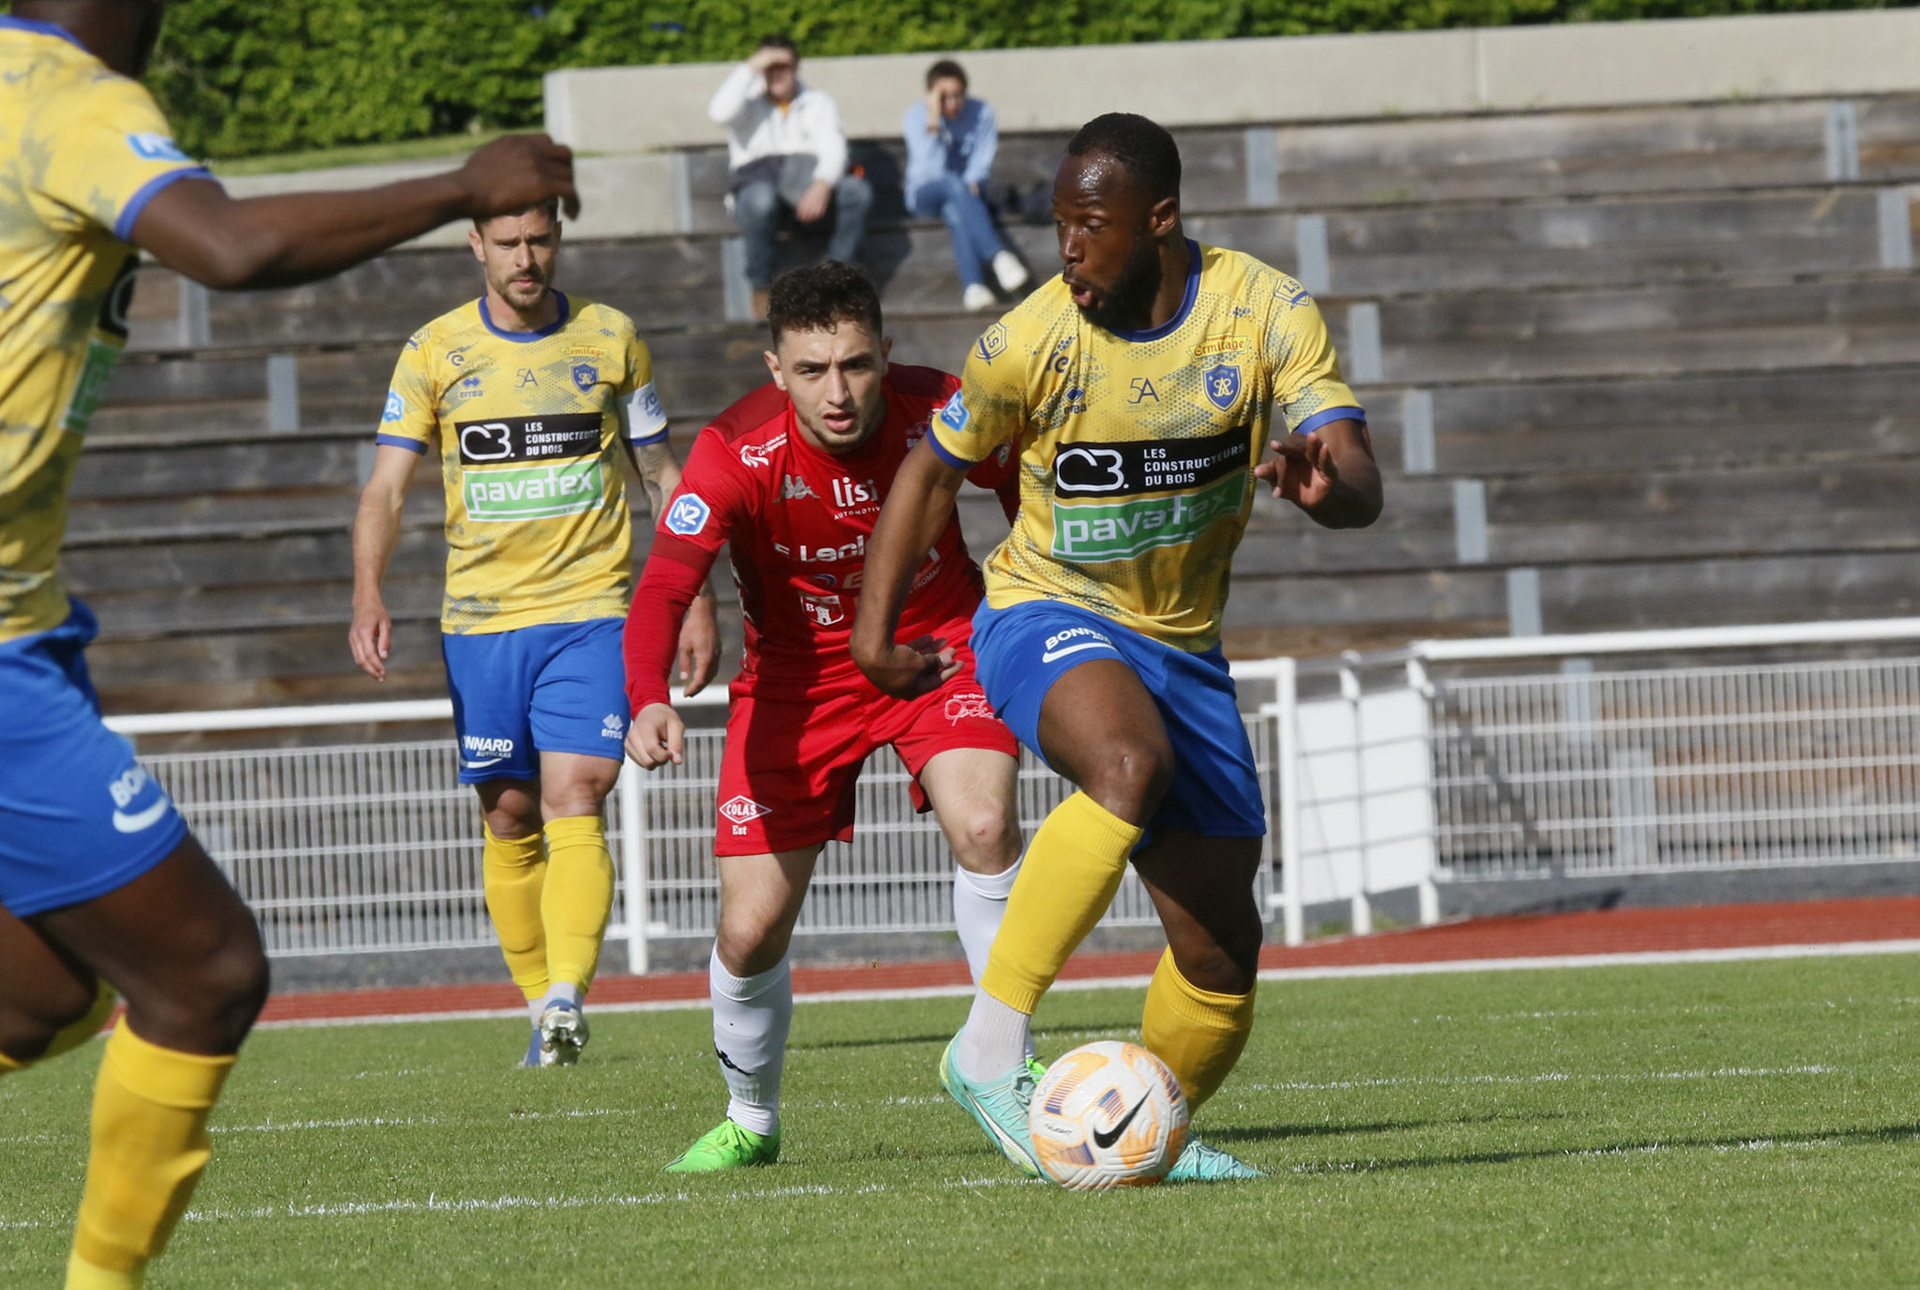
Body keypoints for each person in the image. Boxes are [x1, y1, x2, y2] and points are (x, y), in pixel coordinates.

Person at [0, 2, 577, 1286]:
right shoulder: (64, 96)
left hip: (28, 623)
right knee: (203, 973)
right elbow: (234, 244)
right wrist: (462, 185)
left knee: (43, 997)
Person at [852, 113, 1384, 1183]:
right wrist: (875, 640)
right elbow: (929, 472)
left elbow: (1359, 481)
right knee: (1127, 764)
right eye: (1060, 224)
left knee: (1222, 950)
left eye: (1091, 226)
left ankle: (1141, 1129)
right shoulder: (1028, 340)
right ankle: (988, 1047)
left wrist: (1328, 491)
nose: (1068, 249)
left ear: (1162, 219)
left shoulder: (1264, 310)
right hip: (1044, 609)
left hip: (1185, 648)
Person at [622, 260, 1029, 1172]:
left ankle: (1004, 1066)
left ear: (886, 351)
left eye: (854, 365)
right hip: (796, 680)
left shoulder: (945, 408)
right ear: (776, 369)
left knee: (985, 823)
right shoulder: (735, 451)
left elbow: (1027, 490)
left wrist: (1030, 601)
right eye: (811, 370)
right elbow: (666, 581)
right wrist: (645, 695)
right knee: (748, 931)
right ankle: (751, 1119)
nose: (836, 393)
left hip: (937, 646)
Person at [349, 200, 717, 1069]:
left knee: (577, 793)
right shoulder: (434, 350)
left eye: (540, 240)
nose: (526, 257)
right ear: (476, 244)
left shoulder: (610, 338)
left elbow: (662, 474)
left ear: (558, 239)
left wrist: (696, 592)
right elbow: (386, 489)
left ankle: (567, 996)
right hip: (481, 622)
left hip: (592, 610)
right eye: (508, 243)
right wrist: (367, 591)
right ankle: (540, 1016)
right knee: (510, 814)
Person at [709, 34, 872, 320]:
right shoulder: (746, 103)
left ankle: (834, 282)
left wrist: (822, 184)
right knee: (760, 200)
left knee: (857, 192)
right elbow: (718, 112)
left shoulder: (818, 102)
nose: (776, 72)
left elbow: (834, 149)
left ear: (796, 67)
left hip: (807, 192)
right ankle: (761, 287)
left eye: (783, 65)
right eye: (769, 65)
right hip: (758, 195)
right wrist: (751, 66)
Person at [902, 59, 1029, 312]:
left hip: (965, 196)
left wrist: (972, 181)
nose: (952, 103)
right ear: (931, 96)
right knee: (952, 185)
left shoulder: (982, 112)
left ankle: (973, 287)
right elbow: (928, 172)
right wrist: (933, 122)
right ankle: (998, 256)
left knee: (954, 209)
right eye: (943, 97)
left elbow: (983, 157)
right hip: (923, 195)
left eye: (957, 95)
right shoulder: (915, 117)